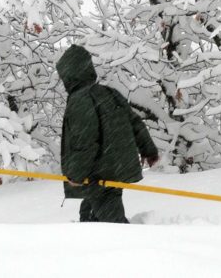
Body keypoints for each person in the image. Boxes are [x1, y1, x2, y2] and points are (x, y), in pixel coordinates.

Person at [56, 44, 159, 223]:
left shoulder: (80, 100)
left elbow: (85, 141)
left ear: (69, 75)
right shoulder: (109, 92)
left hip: (100, 172)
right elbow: (134, 122)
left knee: (112, 222)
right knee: (90, 212)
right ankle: (91, 242)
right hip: (115, 167)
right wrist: (148, 150)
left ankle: (134, 247)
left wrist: (76, 174)